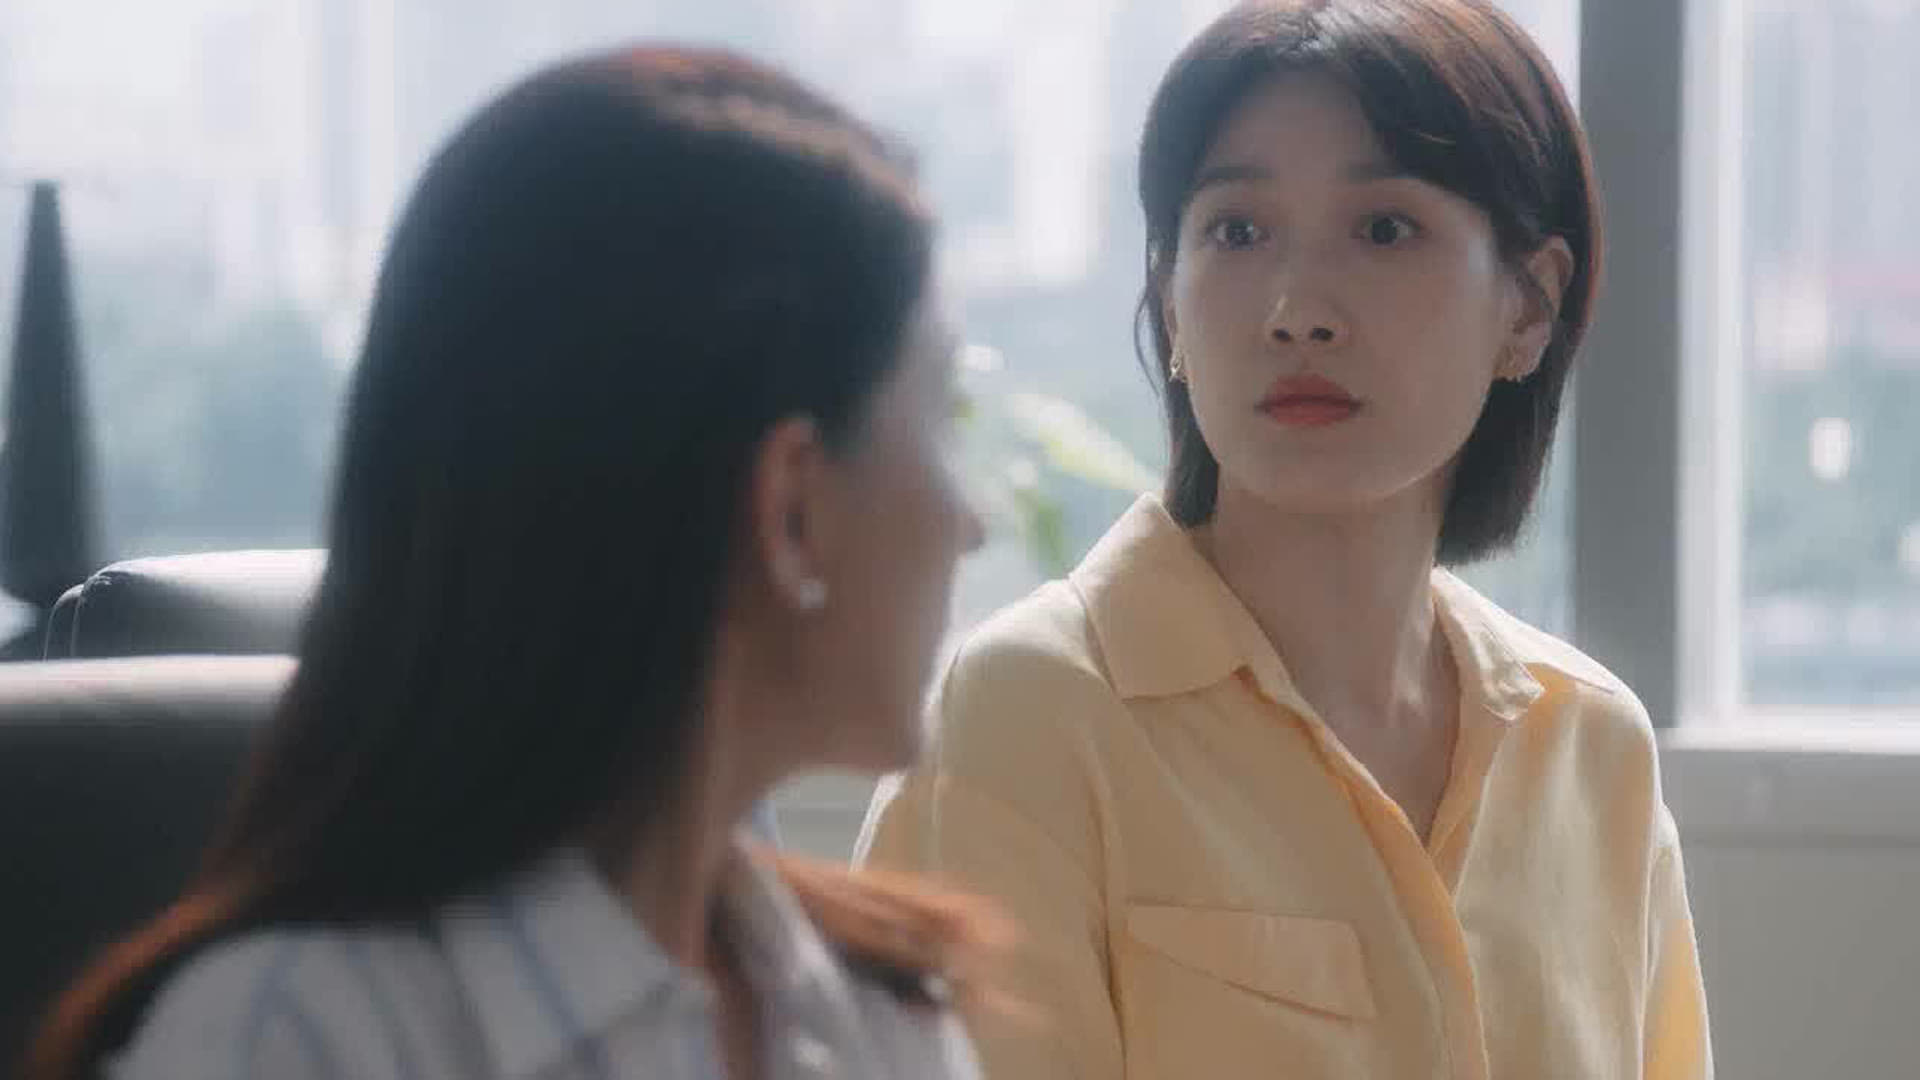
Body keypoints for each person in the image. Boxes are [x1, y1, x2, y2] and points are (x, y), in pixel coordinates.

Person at [29, 44, 990, 1080]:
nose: (971, 523)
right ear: (790, 508)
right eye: (940, 421)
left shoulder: (877, 1021)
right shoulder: (287, 1040)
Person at [858, 2, 1713, 1078]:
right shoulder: (1027, 713)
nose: (1297, 309)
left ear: (1529, 308)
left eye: (1384, 229)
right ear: (1170, 303)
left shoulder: (1589, 745)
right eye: (1237, 232)